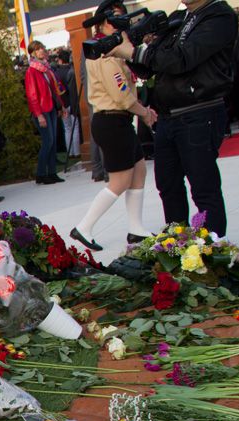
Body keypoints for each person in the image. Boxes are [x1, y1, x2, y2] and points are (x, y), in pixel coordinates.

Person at [109, 0, 238, 236]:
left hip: (199, 111)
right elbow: (154, 65)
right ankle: (178, 245)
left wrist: (136, 52)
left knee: (203, 188)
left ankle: (213, 250)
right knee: (168, 186)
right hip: (169, 117)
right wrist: (128, 49)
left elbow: (182, 59)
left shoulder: (219, 15)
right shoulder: (181, 18)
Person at [71, 1, 159, 251]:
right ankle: (84, 227)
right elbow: (120, 94)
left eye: (122, 18)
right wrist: (144, 113)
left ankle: (135, 229)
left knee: (139, 171)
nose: (119, 23)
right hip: (111, 119)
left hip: (118, 119)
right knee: (120, 181)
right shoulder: (103, 52)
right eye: (113, 19)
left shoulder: (116, 48)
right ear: (100, 23)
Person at [25, 41, 68, 184]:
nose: (42, 51)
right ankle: (41, 173)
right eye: (38, 49)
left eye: (42, 48)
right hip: (42, 110)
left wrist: (61, 106)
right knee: (48, 141)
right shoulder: (32, 71)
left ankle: (52, 172)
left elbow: (54, 89)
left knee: (53, 141)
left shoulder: (46, 68)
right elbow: (32, 95)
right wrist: (38, 114)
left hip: (50, 107)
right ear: (33, 53)